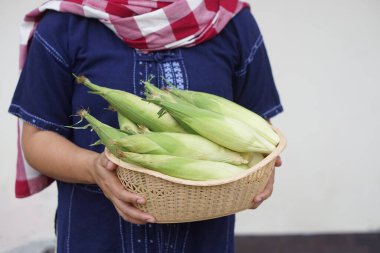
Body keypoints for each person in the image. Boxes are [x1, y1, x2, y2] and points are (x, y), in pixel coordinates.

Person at [9, 0, 283, 252]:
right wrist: (95, 169)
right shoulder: (65, 24)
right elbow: (37, 141)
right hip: (97, 235)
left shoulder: (231, 20)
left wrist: (261, 166)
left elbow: (258, 130)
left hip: (204, 239)